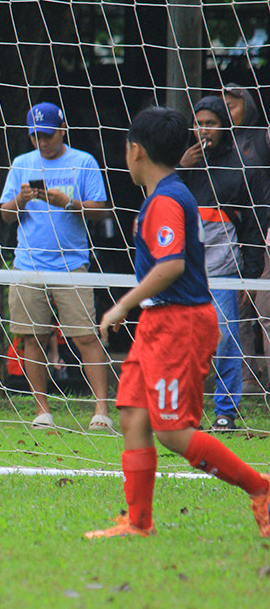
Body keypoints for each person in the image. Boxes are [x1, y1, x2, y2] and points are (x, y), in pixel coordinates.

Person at [85, 106, 270, 539]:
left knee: (172, 432)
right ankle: (138, 523)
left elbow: (170, 265)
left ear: (136, 151)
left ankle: (260, 488)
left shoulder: (167, 200)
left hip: (179, 324)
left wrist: (122, 305)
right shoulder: (166, 194)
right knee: (133, 416)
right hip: (159, 322)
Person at [0, 101, 111, 430]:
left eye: (47, 135)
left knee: (86, 336)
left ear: (63, 130)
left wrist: (68, 202)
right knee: (32, 337)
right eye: (36, 136)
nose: (42, 142)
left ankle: (101, 411)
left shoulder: (84, 162)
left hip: (71, 265)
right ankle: (42, 411)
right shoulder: (22, 163)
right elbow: (5, 214)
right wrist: (21, 200)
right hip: (27, 264)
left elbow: (101, 210)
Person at [178, 96, 264, 431]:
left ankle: (226, 411)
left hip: (225, 270)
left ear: (224, 127)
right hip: (183, 270)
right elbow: (157, 200)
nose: (203, 130)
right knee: (184, 341)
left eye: (210, 124)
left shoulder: (241, 167)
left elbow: (254, 224)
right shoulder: (179, 166)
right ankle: (185, 411)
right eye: (198, 123)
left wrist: (250, 275)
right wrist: (181, 167)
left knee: (225, 338)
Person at [221, 85, 270, 392]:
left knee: (265, 309)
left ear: (248, 106)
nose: (227, 112)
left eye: (232, 105)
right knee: (237, 307)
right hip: (234, 236)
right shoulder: (222, 145)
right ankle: (247, 378)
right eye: (223, 106)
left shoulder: (263, 138)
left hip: (266, 236)